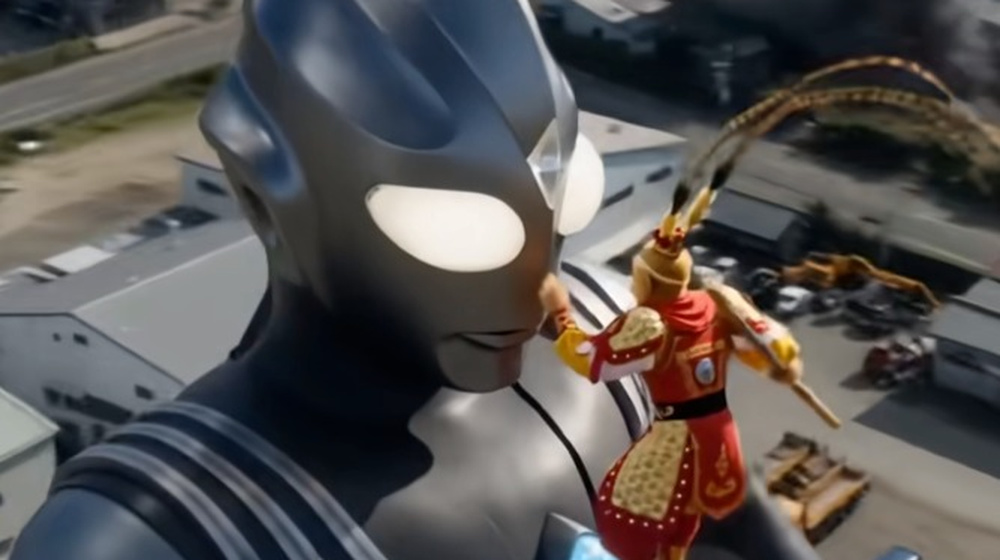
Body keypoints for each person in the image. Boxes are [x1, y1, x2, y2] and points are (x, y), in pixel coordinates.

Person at [12, 1, 823, 559]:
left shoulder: (617, 344)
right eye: (460, 229)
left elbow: (738, 515)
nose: (535, 281)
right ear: (263, 199)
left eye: (565, 195)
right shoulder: (144, 538)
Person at [539, 183, 807, 560]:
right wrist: (783, 367)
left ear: (649, 280)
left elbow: (591, 361)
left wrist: (561, 313)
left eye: (638, 275)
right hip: (720, 439)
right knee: (684, 524)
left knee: (624, 518)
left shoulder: (652, 323)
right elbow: (775, 356)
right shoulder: (715, 305)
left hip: (675, 443)